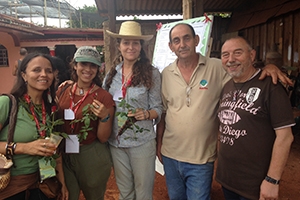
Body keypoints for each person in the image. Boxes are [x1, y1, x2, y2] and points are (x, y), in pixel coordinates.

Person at [156, 23, 293, 200]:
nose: (182, 44)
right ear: (171, 47)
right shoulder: (166, 74)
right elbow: (164, 114)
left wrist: (269, 68)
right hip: (171, 155)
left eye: (187, 38)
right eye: (176, 40)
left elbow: (245, 74)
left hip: (202, 158)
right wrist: (159, 143)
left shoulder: (217, 67)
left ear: (196, 40)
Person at [216, 36, 294, 200]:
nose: (231, 59)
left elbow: (285, 137)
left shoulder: (271, 87)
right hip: (228, 179)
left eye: (238, 53)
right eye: (225, 55)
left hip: (255, 184)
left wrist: (272, 180)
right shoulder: (227, 86)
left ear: (252, 55)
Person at [104, 21, 163, 200]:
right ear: (119, 45)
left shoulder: (151, 74)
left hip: (142, 143)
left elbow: (158, 108)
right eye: (126, 42)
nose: (131, 47)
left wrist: (146, 114)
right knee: (125, 192)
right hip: (117, 143)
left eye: (135, 43)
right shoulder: (111, 75)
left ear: (141, 46)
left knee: (143, 193)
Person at [0, 52, 68, 199]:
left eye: (48, 71)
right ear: (24, 75)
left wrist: (62, 183)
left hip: (43, 184)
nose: (44, 74)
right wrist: (25, 147)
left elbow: (56, 153)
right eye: (36, 70)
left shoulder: (52, 110)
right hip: (11, 186)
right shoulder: (8, 104)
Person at [56, 46, 115, 200]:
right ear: (75, 65)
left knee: (94, 197)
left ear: (98, 69)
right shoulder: (63, 90)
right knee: (67, 196)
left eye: (93, 65)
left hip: (91, 155)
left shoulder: (103, 97)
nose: (88, 69)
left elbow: (103, 138)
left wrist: (104, 117)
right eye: (83, 64)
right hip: (65, 152)